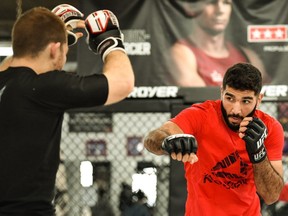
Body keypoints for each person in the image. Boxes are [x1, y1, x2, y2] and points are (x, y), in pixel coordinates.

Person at [0, 5, 134, 216]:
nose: (63, 60)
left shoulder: (6, 80)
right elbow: (123, 82)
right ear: (54, 49)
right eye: (64, 50)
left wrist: (51, 29)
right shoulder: (43, 86)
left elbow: (13, 61)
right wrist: (110, 42)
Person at [144, 62, 284, 215]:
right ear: (222, 92)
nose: (236, 110)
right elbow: (153, 138)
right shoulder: (202, 115)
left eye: (246, 101)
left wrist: (259, 153)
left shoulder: (270, 128)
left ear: (259, 99)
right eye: (230, 98)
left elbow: (271, 196)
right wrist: (168, 142)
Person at [170, 0, 270, 86]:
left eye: (226, 3)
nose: (220, 10)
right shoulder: (181, 53)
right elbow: (201, 103)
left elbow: (271, 100)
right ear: (193, 9)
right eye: (212, 2)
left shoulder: (249, 56)